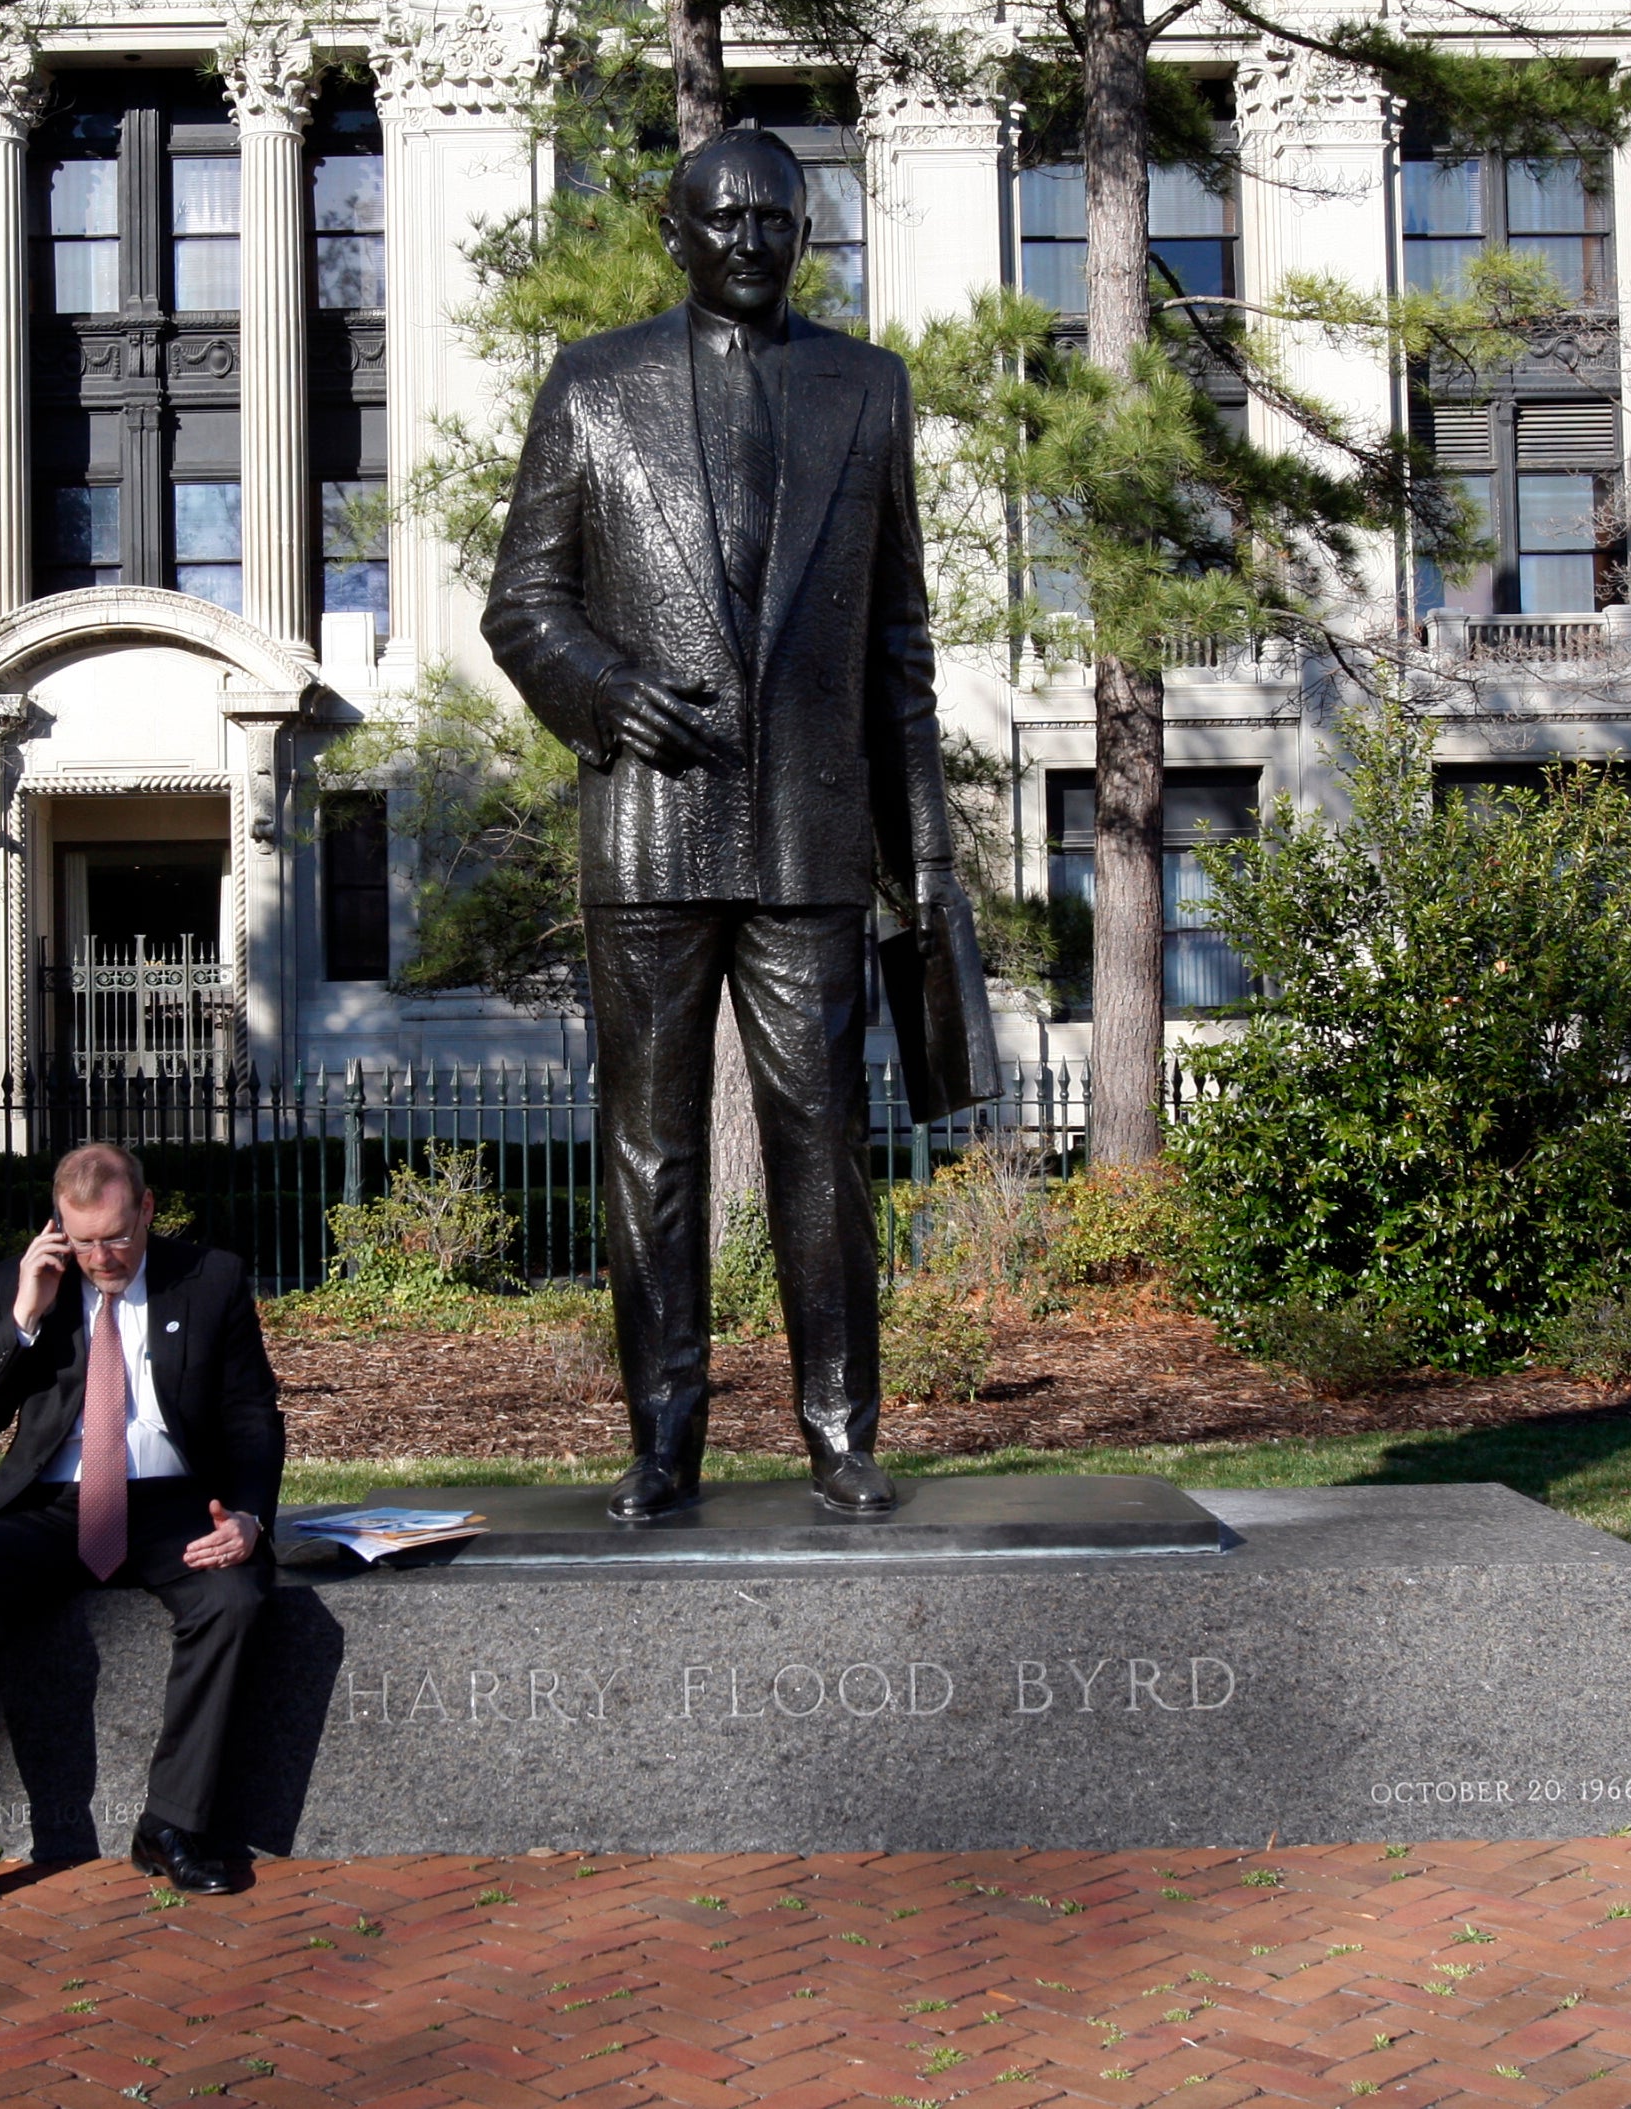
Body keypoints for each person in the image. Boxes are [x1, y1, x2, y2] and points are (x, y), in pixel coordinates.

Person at [480, 127, 967, 1521]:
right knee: (649, 1147)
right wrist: (608, 693)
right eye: (725, 216)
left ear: (805, 234)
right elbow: (524, 604)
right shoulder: (594, 384)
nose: (752, 237)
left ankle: (838, 1431)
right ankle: (660, 1439)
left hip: (810, 834)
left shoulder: (864, 389)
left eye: (777, 217)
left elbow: (898, 644)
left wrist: (921, 851)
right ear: (675, 230)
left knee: (825, 1144)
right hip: (648, 825)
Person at [0, 1141, 283, 1926]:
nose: (101, 1256)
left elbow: (251, 1413)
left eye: (116, 1237)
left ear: (147, 1208)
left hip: (172, 1498)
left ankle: (172, 1823)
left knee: (234, 1598)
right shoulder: (25, 1282)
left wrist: (247, 1513)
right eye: (82, 1238)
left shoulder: (211, 1279)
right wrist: (26, 1314)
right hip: (53, 1501)